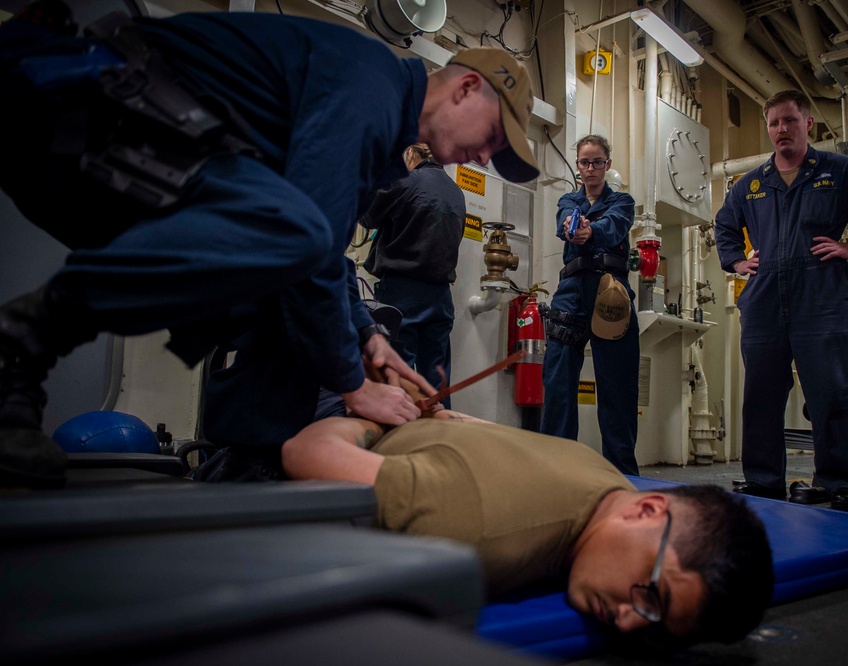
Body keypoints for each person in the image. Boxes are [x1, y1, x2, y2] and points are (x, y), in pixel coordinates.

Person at [0, 1, 539, 488]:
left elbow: (325, 258)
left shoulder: (379, 126)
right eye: (492, 137)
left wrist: (368, 340)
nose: (483, 158)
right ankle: (20, 344)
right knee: (294, 242)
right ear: (466, 88)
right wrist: (353, 383)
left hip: (136, 149)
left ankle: (248, 461)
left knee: (295, 270)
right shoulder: (368, 86)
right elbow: (313, 241)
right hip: (73, 105)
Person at [282, 409, 774, 647]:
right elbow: (304, 453)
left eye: (654, 626)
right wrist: (361, 417)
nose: (626, 620)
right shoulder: (469, 532)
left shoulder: (604, 476)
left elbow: (485, 430)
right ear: (647, 512)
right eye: (649, 596)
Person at [713, 89, 848, 511]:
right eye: (775, 122)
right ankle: (763, 480)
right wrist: (737, 262)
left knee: (832, 391)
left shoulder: (840, 170)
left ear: (807, 123)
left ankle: (841, 482)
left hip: (821, 295)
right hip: (763, 299)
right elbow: (725, 224)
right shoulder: (752, 184)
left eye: (790, 121)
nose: (782, 129)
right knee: (761, 395)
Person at [540, 135, 640, 476]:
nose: (591, 168)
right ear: (578, 166)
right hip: (571, 293)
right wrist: (574, 228)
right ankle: (557, 465)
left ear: (607, 165)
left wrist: (590, 230)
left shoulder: (623, 201)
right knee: (557, 383)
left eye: (598, 162)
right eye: (585, 162)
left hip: (610, 293)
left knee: (617, 386)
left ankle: (622, 470)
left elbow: (614, 227)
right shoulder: (569, 200)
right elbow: (565, 220)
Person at [360, 143, 467, 405]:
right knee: (437, 383)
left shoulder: (405, 179)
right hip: (441, 297)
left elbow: (366, 216)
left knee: (398, 376)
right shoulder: (456, 192)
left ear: (410, 153)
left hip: (402, 293)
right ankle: (440, 440)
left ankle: (400, 441)